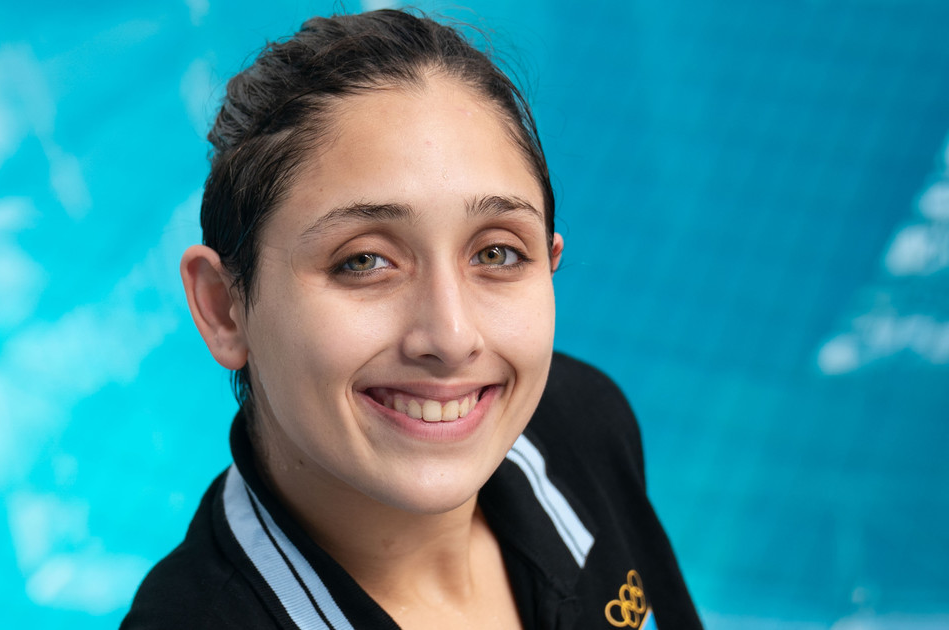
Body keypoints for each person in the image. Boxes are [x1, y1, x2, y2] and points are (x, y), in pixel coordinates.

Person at [122, 9, 701, 629]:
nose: (451, 338)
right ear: (224, 308)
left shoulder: (579, 424)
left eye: (496, 253)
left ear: (549, 261)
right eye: (364, 261)